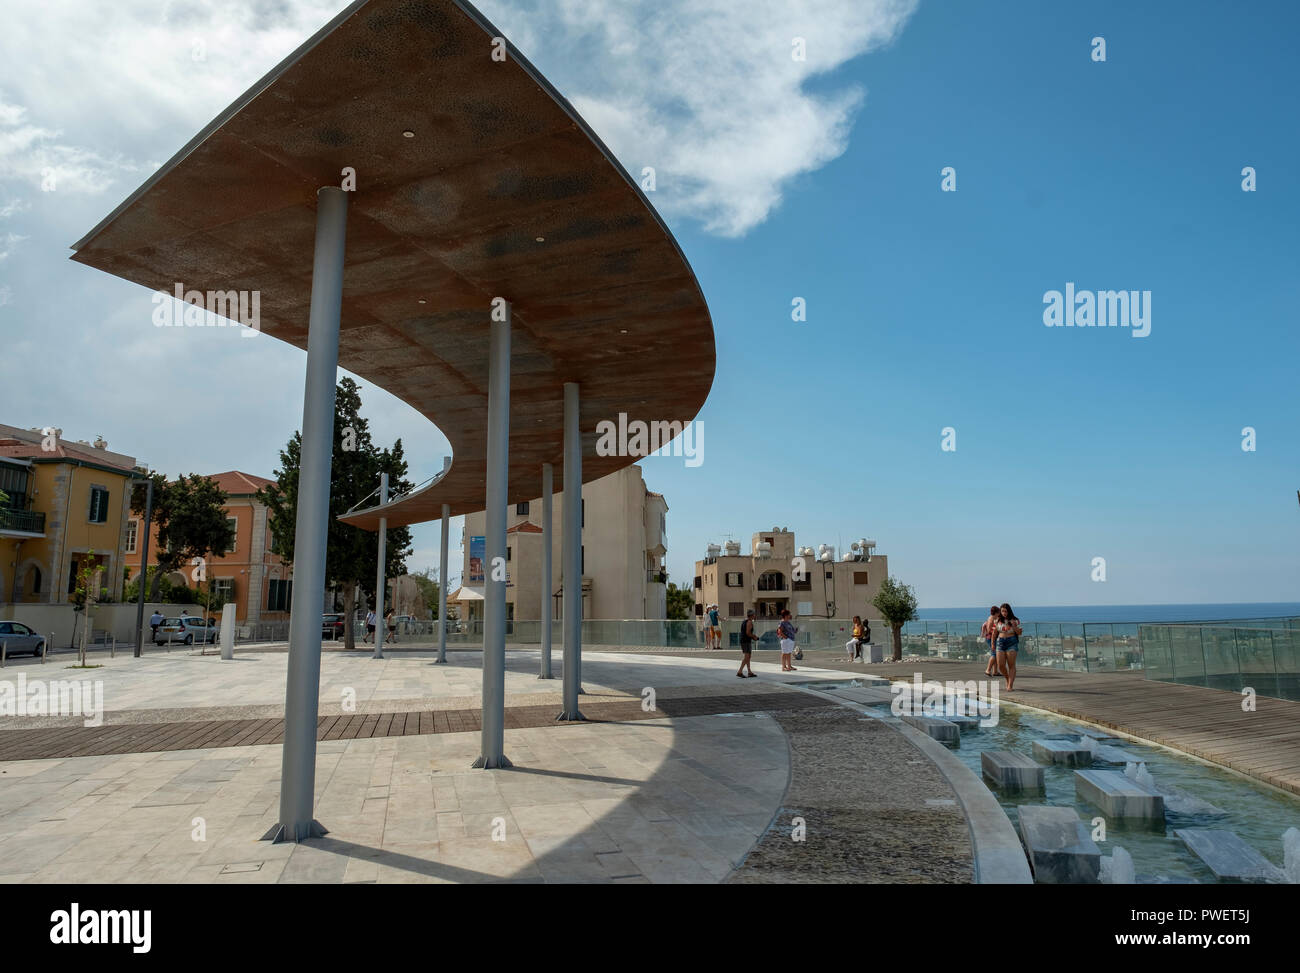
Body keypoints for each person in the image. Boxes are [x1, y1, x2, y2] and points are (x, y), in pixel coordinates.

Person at [995, 603, 1022, 690]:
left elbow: (1019, 632)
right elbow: (995, 632)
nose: (1004, 613)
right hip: (1000, 642)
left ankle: (1010, 685)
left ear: (1009, 611)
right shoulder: (997, 621)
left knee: (1011, 665)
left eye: (1005, 611)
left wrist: (1013, 626)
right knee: (1000, 665)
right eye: (1002, 611)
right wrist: (992, 643)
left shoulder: (1015, 620)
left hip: (1012, 642)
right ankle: (1007, 679)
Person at [981, 605, 1001, 677]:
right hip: (990, 637)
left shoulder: (994, 618)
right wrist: (997, 628)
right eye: (999, 612)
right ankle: (988, 670)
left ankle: (995, 671)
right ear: (996, 612)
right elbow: (989, 629)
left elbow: (984, 625)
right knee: (994, 654)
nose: (999, 614)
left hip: (993, 637)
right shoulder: (991, 618)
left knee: (995, 654)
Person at [737, 609, 757, 678]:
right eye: (754, 614)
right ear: (752, 615)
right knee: (747, 657)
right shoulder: (749, 622)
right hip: (746, 641)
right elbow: (748, 633)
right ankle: (740, 671)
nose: (755, 616)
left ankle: (749, 672)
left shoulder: (744, 621)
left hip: (744, 640)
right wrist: (754, 637)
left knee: (748, 657)